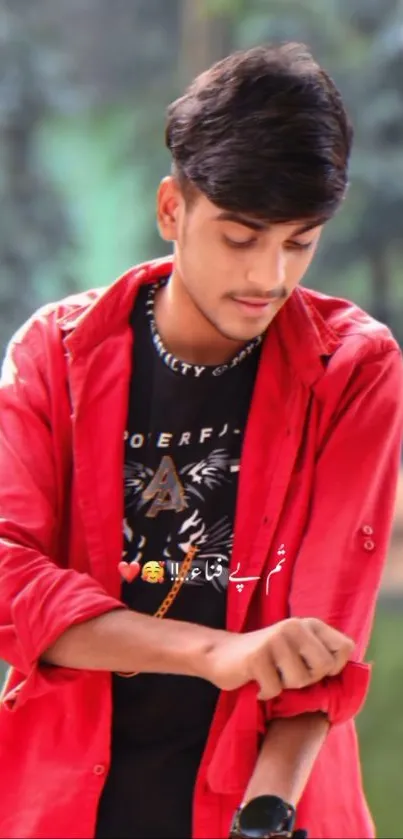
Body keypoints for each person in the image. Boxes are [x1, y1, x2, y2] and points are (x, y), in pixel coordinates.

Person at [0, 41, 402, 839]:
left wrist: (266, 810)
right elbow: (11, 580)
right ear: (171, 210)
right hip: (58, 804)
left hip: (260, 802)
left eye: (299, 240)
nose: (269, 278)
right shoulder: (57, 351)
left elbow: (325, 645)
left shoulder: (353, 369)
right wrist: (215, 651)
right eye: (241, 236)